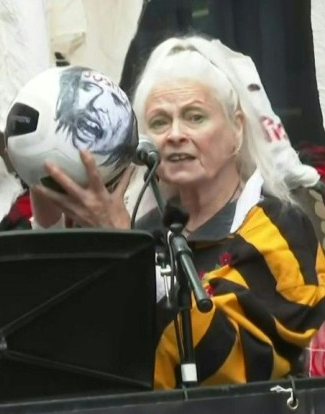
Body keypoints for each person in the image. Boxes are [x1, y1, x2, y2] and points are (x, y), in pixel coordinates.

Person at [30, 35, 325, 389]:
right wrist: (47, 227)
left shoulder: (281, 226)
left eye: (194, 117)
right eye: (158, 123)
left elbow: (238, 365)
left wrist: (128, 250)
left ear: (237, 129)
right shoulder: (143, 229)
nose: (174, 135)